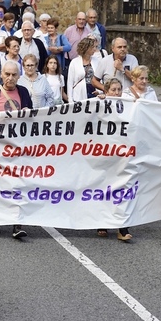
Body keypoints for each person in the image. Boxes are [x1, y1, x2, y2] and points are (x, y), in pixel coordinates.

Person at [0, 60, 32, 239]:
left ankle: (17, 224)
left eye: (14, 75)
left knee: (17, 185)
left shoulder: (23, 92)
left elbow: (32, 119)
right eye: (7, 74)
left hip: (17, 149)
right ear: (1, 75)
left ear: (19, 76)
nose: (10, 78)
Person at [95, 78, 133, 241]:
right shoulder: (99, 104)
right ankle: (101, 222)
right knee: (103, 188)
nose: (116, 93)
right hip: (103, 155)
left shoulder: (129, 106)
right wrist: (100, 101)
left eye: (119, 90)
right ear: (106, 91)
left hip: (122, 156)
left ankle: (122, 227)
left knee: (121, 189)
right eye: (113, 90)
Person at [66, 37, 101, 102]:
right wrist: (70, 99)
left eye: (95, 47)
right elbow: (70, 82)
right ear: (86, 48)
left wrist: (100, 91)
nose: (94, 49)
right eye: (92, 47)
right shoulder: (75, 62)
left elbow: (100, 78)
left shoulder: (97, 61)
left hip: (93, 91)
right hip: (79, 93)